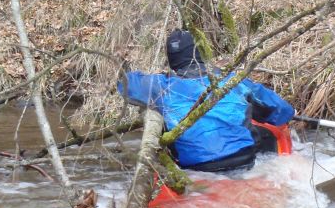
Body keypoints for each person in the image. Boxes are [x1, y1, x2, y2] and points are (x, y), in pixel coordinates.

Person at [118, 29, 295, 173]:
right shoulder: (232, 80)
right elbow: (282, 111)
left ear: (172, 60)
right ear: (198, 53)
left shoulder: (158, 86)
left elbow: (124, 83)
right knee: (263, 134)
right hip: (243, 159)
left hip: (197, 167)